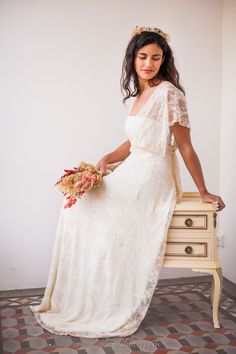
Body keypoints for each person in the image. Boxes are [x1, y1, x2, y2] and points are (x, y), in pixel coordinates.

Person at [30, 26, 225, 339]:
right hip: (135, 165)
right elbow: (134, 143)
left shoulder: (170, 94)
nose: (148, 63)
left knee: (89, 210)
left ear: (164, 60)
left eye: (156, 58)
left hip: (153, 174)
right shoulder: (140, 94)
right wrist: (107, 157)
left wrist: (203, 190)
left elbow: (186, 147)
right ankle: (96, 294)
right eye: (143, 56)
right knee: (76, 207)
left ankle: (111, 298)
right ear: (133, 59)